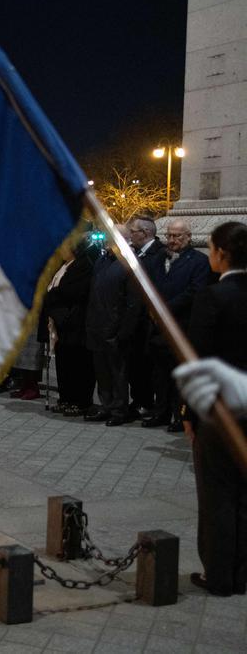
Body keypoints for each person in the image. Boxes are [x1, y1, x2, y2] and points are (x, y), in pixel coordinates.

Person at [183, 221, 247, 596]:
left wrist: (189, 414)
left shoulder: (212, 298)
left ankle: (220, 574)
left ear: (222, 253)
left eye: (209, 248)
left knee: (218, 494)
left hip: (221, 414)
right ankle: (242, 572)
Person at [143, 219, 211, 430]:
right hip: (157, 327)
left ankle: (179, 416)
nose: (172, 240)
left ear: (188, 237)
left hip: (182, 325)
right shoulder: (158, 258)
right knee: (159, 374)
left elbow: (194, 291)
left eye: (177, 236)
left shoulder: (199, 261)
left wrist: (164, 308)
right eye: (170, 235)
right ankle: (160, 412)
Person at [85, 225, 141, 426]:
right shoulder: (102, 261)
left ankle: (119, 409)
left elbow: (132, 303)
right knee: (102, 373)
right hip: (97, 326)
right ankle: (106, 405)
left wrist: (123, 331)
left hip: (116, 330)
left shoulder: (130, 264)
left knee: (118, 373)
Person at [38, 237, 97, 415]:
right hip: (59, 324)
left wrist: (53, 295)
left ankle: (80, 401)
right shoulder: (63, 266)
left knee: (78, 364)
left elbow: (71, 292)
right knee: (64, 364)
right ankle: (66, 398)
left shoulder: (82, 266)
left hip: (75, 323)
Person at [127, 216, 166, 418]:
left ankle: (146, 402)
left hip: (146, 321)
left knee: (145, 365)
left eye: (133, 231)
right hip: (134, 318)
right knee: (135, 365)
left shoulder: (158, 254)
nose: (130, 234)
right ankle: (138, 399)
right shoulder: (137, 253)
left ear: (146, 233)